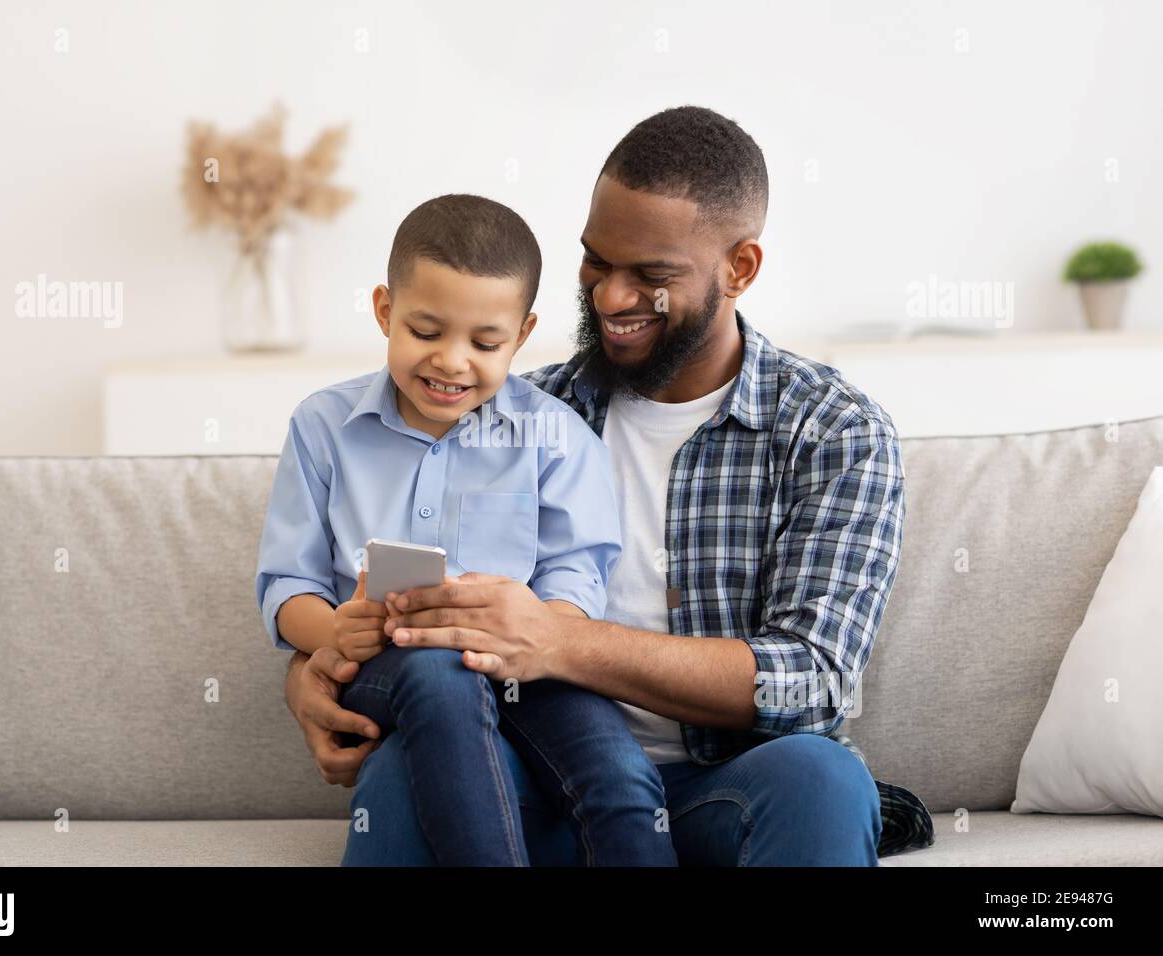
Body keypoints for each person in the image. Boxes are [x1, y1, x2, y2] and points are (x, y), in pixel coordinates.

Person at [285, 106, 935, 866]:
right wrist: (308, 675)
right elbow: (379, 589)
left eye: (651, 276)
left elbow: (816, 679)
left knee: (824, 779)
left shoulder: (833, 430)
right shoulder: (512, 412)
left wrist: (562, 642)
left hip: (724, 782)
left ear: (740, 269)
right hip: (526, 778)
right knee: (398, 778)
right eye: (596, 262)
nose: (611, 297)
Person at [256, 194, 678, 866]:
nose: (452, 362)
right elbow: (288, 581)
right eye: (426, 332)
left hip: (526, 664)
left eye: (485, 343)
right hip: (387, 665)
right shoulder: (322, 427)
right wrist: (333, 632)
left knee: (614, 772)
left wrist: (536, 630)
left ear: (521, 333)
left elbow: (577, 574)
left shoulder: (556, 437)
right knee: (440, 678)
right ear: (385, 311)